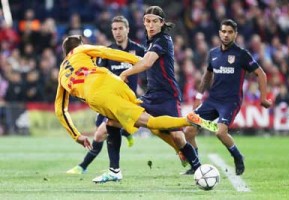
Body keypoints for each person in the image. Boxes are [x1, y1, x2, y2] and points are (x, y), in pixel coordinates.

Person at [54, 34, 206, 174]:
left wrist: (76, 136)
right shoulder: (82, 50)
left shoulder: (62, 74)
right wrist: (137, 60)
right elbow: (107, 52)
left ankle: (188, 120)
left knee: (149, 122)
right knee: (116, 124)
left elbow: (60, 110)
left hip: (99, 96)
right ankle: (121, 157)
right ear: (80, 44)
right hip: (115, 81)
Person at [108, 5, 215, 183]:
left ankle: (199, 169)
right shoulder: (149, 41)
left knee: (177, 137)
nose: (150, 25)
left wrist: (125, 73)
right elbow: (143, 61)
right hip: (151, 96)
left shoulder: (163, 40)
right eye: (147, 21)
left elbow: (147, 63)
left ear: (161, 23)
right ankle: (114, 170)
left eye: (154, 22)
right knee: (112, 122)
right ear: (143, 22)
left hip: (168, 95)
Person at [182, 19, 272, 175]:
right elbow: (207, 75)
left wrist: (263, 98)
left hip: (230, 102)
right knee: (188, 131)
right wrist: (199, 96)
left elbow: (261, 74)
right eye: (223, 31)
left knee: (220, 132)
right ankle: (196, 166)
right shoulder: (213, 54)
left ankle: (237, 156)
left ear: (235, 34)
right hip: (212, 100)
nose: (226, 35)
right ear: (219, 33)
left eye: (230, 32)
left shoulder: (242, 54)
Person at [66, 16, 145, 176]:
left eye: (120, 28)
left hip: (124, 99)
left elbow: (148, 68)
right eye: (114, 29)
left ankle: (84, 166)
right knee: (101, 132)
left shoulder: (138, 50)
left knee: (100, 133)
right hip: (106, 97)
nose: (117, 32)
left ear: (127, 29)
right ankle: (126, 133)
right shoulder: (108, 52)